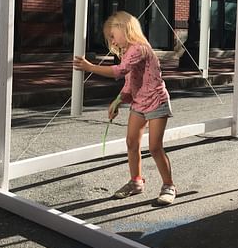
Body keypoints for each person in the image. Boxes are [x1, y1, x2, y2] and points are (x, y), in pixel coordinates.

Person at [73, 11, 176, 205]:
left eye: (112, 36)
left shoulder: (140, 49)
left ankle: (168, 186)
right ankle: (136, 182)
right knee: (131, 143)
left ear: (125, 28)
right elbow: (129, 82)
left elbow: (120, 72)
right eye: (109, 38)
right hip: (139, 102)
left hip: (156, 101)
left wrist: (90, 67)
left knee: (154, 147)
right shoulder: (128, 52)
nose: (111, 41)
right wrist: (118, 100)